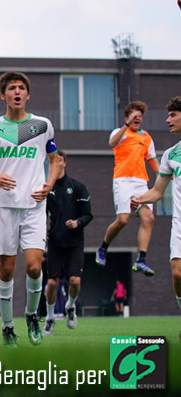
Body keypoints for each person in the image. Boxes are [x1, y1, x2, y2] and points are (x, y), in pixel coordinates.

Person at [0, 71, 60, 348]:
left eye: (21, 88)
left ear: (27, 94)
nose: (17, 92)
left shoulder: (42, 125)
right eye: (12, 88)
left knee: (35, 267)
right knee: (7, 269)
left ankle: (31, 317)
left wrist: (49, 184)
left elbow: (55, 160)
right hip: (4, 206)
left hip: (35, 205)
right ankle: (7, 327)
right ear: (3, 96)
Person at [131, 96, 181, 340]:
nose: (167, 119)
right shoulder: (171, 154)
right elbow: (158, 191)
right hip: (179, 226)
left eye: (172, 115)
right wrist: (140, 199)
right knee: (178, 273)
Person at [98, 101, 159, 276]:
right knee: (123, 220)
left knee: (148, 218)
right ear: (126, 118)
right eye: (133, 115)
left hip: (140, 183)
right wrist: (126, 125)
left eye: (139, 116)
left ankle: (141, 260)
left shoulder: (147, 137)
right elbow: (112, 143)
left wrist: (167, 173)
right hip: (123, 181)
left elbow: (153, 161)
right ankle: (103, 248)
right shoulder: (120, 133)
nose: (137, 118)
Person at [43, 149, 93, 336]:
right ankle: (49, 319)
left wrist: (77, 222)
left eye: (60, 160)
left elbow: (88, 215)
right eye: (53, 160)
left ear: (64, 163)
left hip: (75, 242)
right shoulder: (47, 188)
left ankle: (71, 307)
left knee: (74, 280)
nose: (57, 162)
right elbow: (40, 215)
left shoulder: (78, 187)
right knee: (53, 283)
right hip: (55, 242)